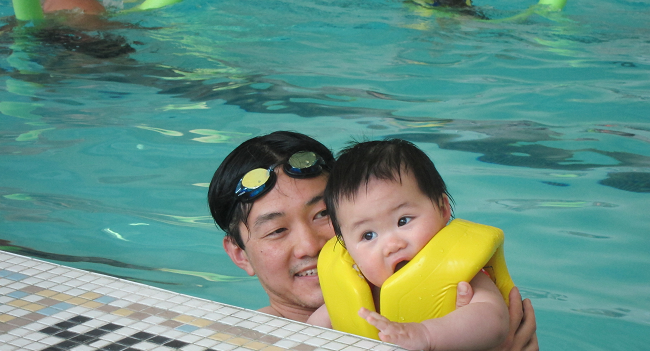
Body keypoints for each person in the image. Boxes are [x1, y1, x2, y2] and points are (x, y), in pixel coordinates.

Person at [208, 131, 538, 350]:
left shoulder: (459, 283)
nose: (310, 246)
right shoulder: (251, 340)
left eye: (323, 215)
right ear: (240, 255)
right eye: (278, 230)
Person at [309, 139, 509, 350]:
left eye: (403, 221)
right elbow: (306, 336)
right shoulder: (355, 294)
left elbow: (494, 320)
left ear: (442, 209)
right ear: (346, 246)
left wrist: (427, 334)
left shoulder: (461, 278)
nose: (392, 245)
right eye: (368, 235)